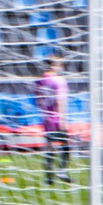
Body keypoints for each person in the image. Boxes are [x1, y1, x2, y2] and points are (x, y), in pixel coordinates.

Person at [32, 55, 72, 187]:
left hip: (46, 117)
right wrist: (63, 119)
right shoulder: (59, 81)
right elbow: (60, 100)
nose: (61, 68)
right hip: (57, 116)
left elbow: (37, 100)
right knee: (66, 144)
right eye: (60, 65)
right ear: (54, 66)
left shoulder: (39, 81)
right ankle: (62, 170)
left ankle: (49, 177)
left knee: (49, 146)